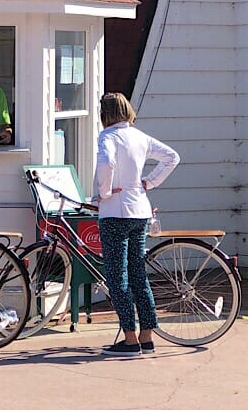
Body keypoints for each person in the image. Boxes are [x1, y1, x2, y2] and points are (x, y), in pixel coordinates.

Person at [93, 92, 180, 357]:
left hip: (115, 212)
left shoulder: (108, 136)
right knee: (138, 276)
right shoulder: (140, 136)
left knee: (117, 277)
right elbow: (172, 157)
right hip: (140, 210)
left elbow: (106, 163)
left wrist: (104, 192)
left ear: (104, 114)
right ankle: (147, 335)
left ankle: (129, 338)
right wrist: (149, 182)